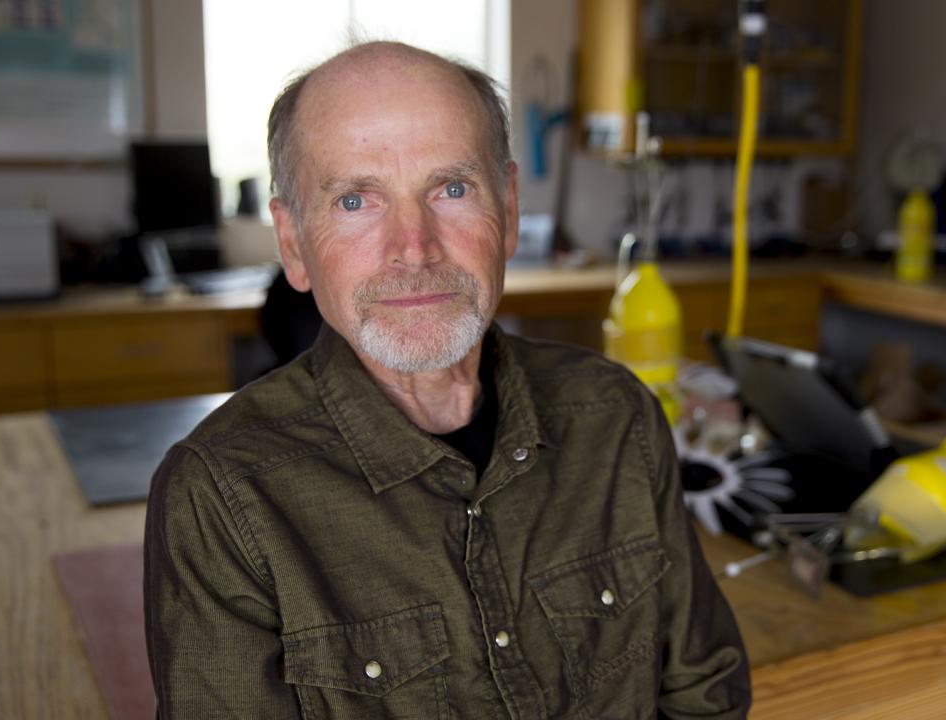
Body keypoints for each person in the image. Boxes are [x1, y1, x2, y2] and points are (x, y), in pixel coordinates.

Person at [143, 41, 750, 719]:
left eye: (452, 189)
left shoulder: (615, 416)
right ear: (293, 244)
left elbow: (705, 696)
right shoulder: (220, 496)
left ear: (510, 209)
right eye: (354, 200)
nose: (414, 246)